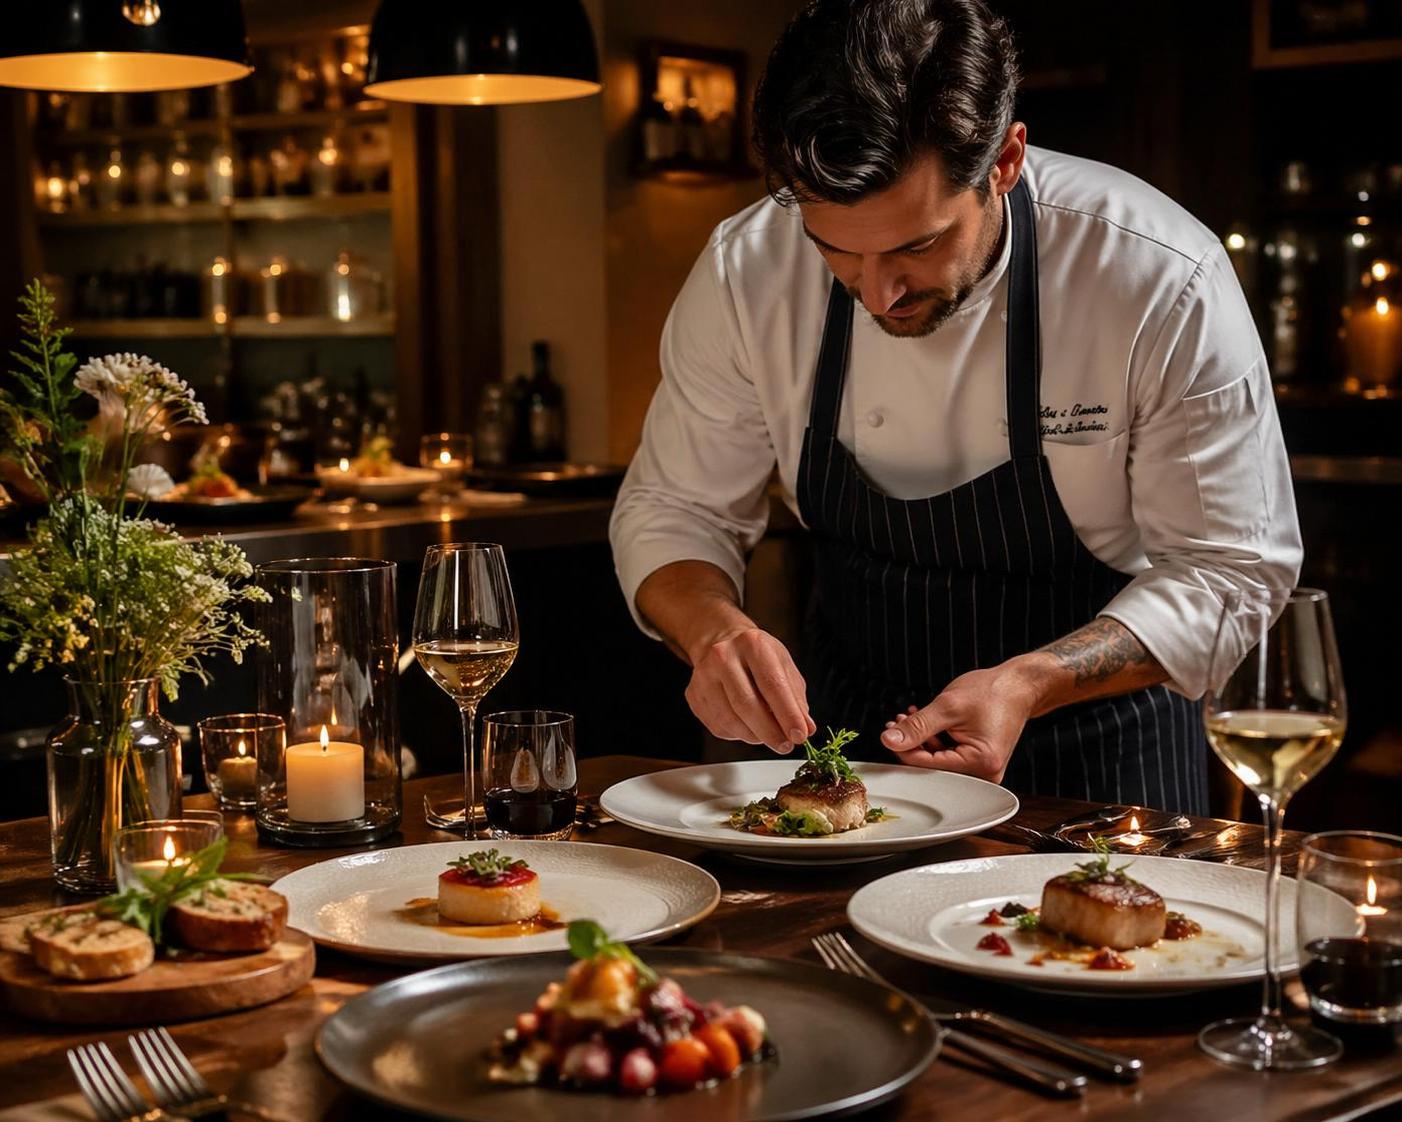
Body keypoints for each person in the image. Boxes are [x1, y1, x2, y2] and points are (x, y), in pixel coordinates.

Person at [609, 0, 1300, 813]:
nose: (879, 291)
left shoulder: (1154, 275)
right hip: (850, 758)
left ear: (1005, 161)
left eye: (917, 244)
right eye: (837, 250)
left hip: (1103, 769)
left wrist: (1029, 682)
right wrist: (713, 631)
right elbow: (674, 508)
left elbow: (1234, 568)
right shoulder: (746, 270)